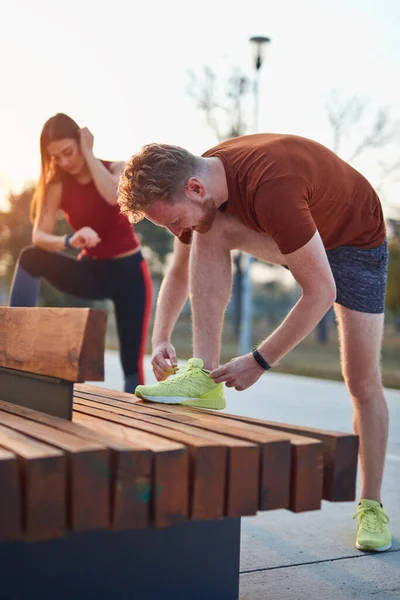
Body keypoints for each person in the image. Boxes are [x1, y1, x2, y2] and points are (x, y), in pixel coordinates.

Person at [118, 132, 392, 553]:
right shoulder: (204, 185)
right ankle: (202, 374)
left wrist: (260, 361)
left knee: (362, 382)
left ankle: (371, 503)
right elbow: (178, 271)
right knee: (211, 228)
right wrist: (159, 339)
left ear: (193, 188)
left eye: (174, 221)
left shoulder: (271, 188)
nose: (178, 231)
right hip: (300, 227)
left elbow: (320, 291)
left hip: (355, 244)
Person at [9, 113, 152, 393]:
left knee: (131, 370)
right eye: (55, 157)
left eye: (68, 152)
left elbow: (113, 196)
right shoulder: (57, 185)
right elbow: (39, 236)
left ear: (81, 141)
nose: (63, 162)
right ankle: (10, 343)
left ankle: (133, 427)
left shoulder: (117, 168)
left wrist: (88, 152)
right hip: (91, 271)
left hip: (129, 274)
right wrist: (69, 240)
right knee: (30, 257)